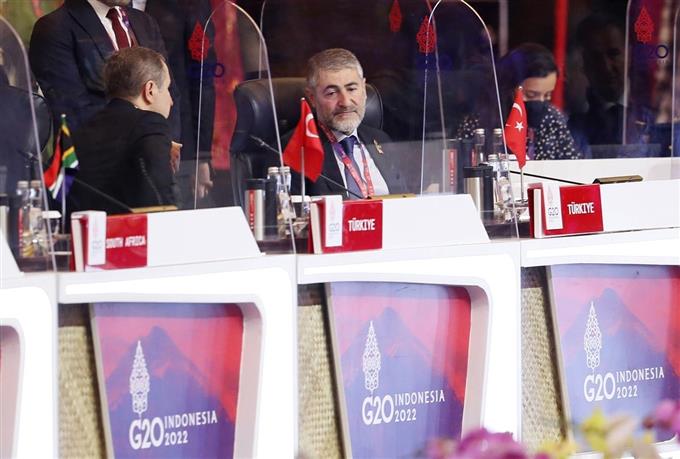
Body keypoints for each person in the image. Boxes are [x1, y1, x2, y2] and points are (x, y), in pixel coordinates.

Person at [67, 47, 178, 215]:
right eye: (167, 88)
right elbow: (161, 201)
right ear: (150, 90)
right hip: (132, 229)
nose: (171, 100)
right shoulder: (151, 124)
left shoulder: (79, 132)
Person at [290, 48, 405, 198]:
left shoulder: (381, 140)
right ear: (312, 97)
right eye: (332, 93)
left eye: (351, 89)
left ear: (363, 89)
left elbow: (403, 200)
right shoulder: (294, 152)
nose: (345, 102)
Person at [498, 43, 581, 160]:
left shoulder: (553, 119)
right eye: (531, 95)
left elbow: (573, 164)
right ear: (509, 88)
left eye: (547, 95)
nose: (540, 101)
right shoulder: (488, 118)